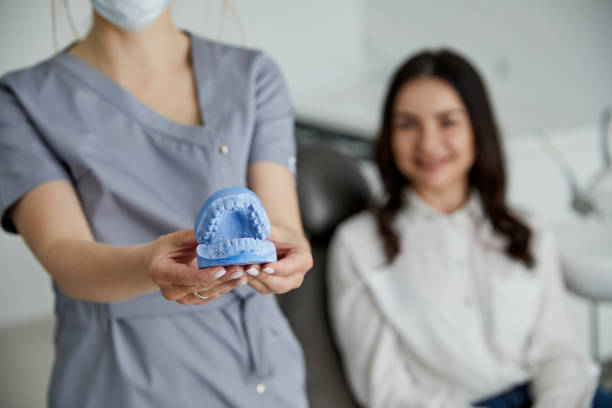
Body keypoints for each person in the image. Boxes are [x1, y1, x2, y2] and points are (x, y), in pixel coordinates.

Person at [0, 1, 312, 406]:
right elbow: (65, 257)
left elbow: (282, 225)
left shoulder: (253, 76)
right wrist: (149, 264)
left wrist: (291, 253)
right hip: (119, 378)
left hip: (256, 377)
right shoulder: (22, 101)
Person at [327, 49, 611, 407]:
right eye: (407, 124)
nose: (428, 143)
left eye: (447, 122)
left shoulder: (527, 230)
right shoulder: (358, 244)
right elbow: (386, 392)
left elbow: (557, 350)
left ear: (477, 129)